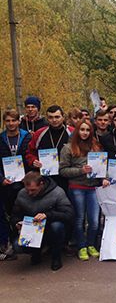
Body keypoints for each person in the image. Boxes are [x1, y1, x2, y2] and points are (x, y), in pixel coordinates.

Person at [59, 119, 103, 261]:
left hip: (93, 187)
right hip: (77, 187)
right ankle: (81, 246)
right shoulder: (68, 148)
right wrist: (81, 170)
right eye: (82, 129)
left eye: (87, 130)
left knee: (94, 220)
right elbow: (63, 170)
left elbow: (102, 166)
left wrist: (105, 177)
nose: (85, 133)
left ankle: (91, 244)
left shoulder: (96, 147)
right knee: (79, 219)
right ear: (77, 131)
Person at [12, 171, 74, 271]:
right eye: (27, 190)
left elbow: (69, 214)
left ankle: (56, 256)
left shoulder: (57, 192)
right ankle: (36, 252)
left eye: (33, 190)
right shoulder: (22, 194)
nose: (29, 193)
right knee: (17, 246)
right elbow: (15, 214)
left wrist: (47, 215)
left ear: (41, 184)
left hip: (50, 227)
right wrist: (17, 222)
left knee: (57, 226)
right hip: (32, 229)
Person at [0, 109, 32, 260]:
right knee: (9, 213)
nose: (11, 123)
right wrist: (1, 179)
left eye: (14, 120)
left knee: (27, 211)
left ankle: (30, 242)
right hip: (6, 184)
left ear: (19, 121)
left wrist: (29, 177)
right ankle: (12, 242)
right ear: (4, 122)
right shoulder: (1, 138)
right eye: (8, 121)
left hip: (25, 183)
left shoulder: (27, 137)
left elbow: (31, 157)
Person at [25, 105, 74, 194]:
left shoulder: (72, 132)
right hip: (46, 177)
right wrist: (33, 161)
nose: (54, 120)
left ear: (63, 117)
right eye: (51, 117)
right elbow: (30, 152)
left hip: (68, 176)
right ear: (47, 118)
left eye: (57, 117)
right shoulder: (39, 133)